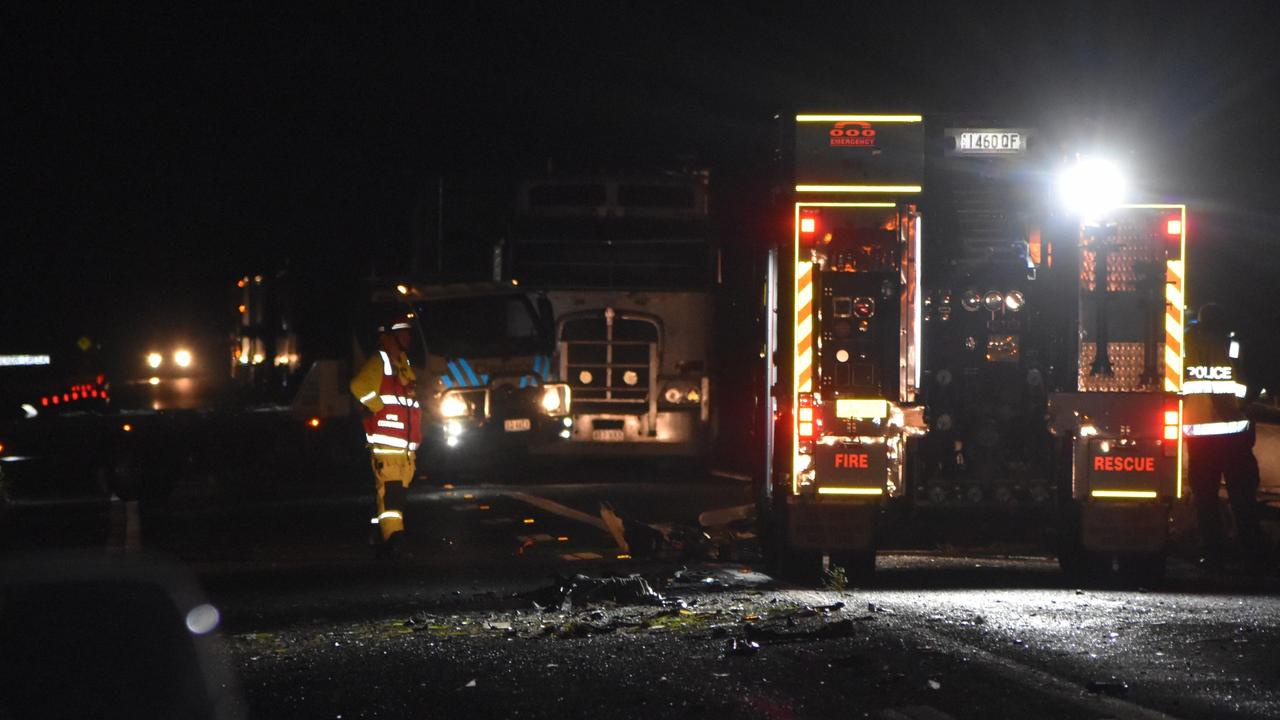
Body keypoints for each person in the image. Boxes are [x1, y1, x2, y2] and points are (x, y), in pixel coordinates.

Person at [1182, 302, 1265, 571]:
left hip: (1199, 435)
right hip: (1235, 436)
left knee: (1205, 499)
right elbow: (1252, 382)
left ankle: (1213, 554)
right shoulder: (1234, 344)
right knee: (1242, 498)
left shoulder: (1184, 341)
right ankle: (1252, 555)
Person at [349, 317, 421, 556]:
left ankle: (377, 535)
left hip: (404, 448)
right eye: (403, 333)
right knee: (392, 497)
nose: (408, 337)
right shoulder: (380, 361)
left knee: (392, 496)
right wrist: (376, 406)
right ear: (388, 336)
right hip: (388, 446)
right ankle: (395, 540)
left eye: (409, 333)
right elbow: (359, 386)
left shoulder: (402, 362)